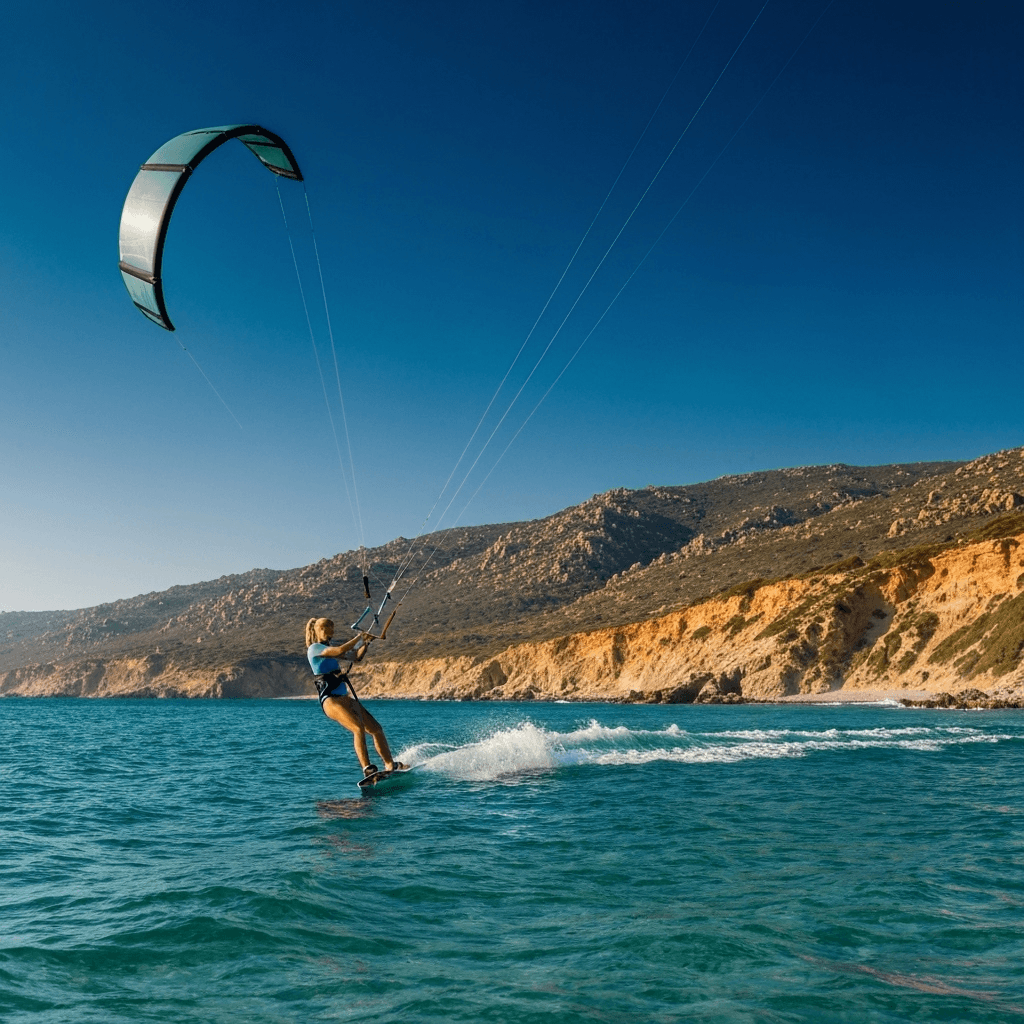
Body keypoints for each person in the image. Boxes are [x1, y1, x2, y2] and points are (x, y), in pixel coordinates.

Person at [304, 616, 407, 778]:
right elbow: (339, 651)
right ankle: (367, 768)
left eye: (330, 628)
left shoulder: (328, 650)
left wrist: (366, 642)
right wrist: (360, 637)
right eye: (324, 628)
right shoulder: (314, 649)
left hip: (345, 699)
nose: (327, 631)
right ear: (316, 630)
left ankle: (390, 764)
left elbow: (356, 657)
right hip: (330, 701)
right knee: (357, 728)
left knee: (376, 729)